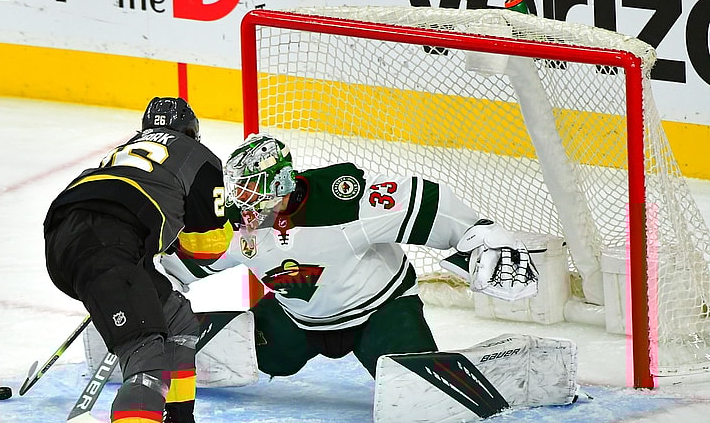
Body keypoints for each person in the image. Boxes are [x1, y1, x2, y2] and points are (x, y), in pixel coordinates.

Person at [166, 132, 539, 380]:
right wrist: (154, 281)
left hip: (379, 312)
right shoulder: (235, 222)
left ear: (281, 181)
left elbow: (422, 200)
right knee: (250, 354)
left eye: (254, 187)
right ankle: (156, 342)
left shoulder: (340, 201)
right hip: (296, 320)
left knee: (411, 380)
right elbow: (192, 261)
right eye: (240, 188)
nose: (244, 199)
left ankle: (499, 369)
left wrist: (478, 235)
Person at [43, 97, 233, 423]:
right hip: (109, 245)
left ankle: (179, 418)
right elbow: (207, 249)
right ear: (192, 132)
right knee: (145, 360)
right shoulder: (199, 156)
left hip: (65, 236)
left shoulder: (123, 150)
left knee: (178, 321)